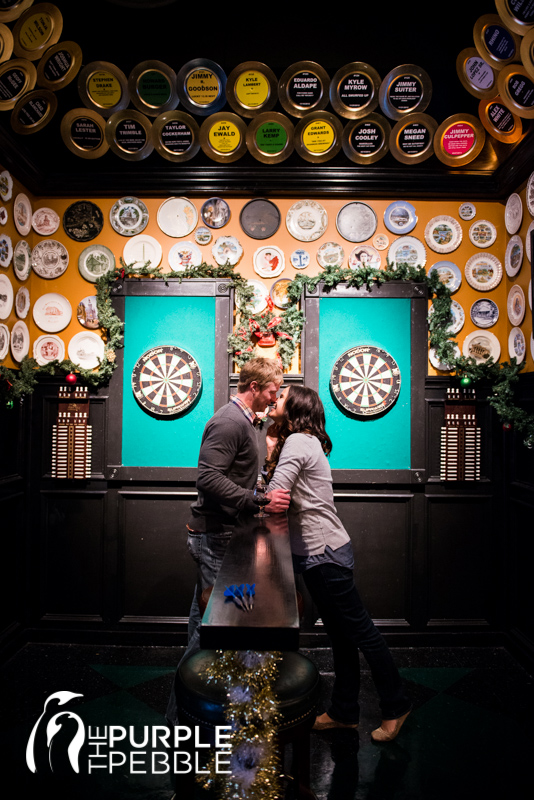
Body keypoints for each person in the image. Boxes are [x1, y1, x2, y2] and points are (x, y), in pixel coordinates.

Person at [265, 385, 412, 742]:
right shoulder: (302, 441)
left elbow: (275, 496)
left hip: (324, 553)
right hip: (320, 551)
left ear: (295, 408)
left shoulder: (299, 441)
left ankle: (397, 705)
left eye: (281, 396)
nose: (274, 399)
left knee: (361, 632)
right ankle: (344, 712)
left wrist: (268, 456)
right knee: (341, 635)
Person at [166, 357, 290, 725]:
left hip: (221, 536)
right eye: (272, 390)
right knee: (216, 633)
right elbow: (207, 478)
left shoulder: (246, 421)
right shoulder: (228, 421)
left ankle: (183, 720)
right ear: (254, 387)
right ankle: (194, 721)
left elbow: (232, 476)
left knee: (201, 629)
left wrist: (257, 493)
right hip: (215, 538)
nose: (275, 397)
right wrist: (257, 501)